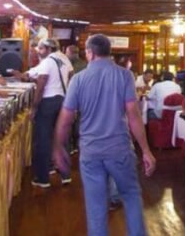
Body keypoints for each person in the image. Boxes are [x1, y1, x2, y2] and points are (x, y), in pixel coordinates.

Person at [52, 34, 155, 236]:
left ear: (89, 53)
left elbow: (65, 119)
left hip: (90, 152)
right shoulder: (125, 75)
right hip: (120, 150)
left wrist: (57, 148)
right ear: (109, 52)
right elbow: (133, 116)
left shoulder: (78, 79)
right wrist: (146, 150)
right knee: (131, 195)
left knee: (96, 206)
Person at [27, 38, 72, 188]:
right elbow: (71, 75)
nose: (38, 52)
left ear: (47, 48)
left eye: (40, 49)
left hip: (47, 103)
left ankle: (42, 178)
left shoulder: (47, 61)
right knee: (61, 138)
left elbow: (41, 83)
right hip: (62, 101)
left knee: (43, 140)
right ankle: (65, 174)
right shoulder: (64, 59)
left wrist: (34, 107)